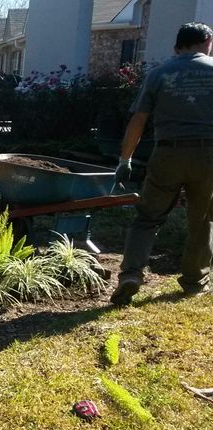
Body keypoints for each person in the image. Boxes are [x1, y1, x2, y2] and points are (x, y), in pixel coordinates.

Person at [111, 22, 213, 305]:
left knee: (147, 218)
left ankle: (131, 274)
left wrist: (125, 159)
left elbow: (138, 120)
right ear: (207, 40)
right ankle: (194, 281)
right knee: (202, 220)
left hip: (167, 153)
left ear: (177, 47)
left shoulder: (159, 74)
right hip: (209, 155)